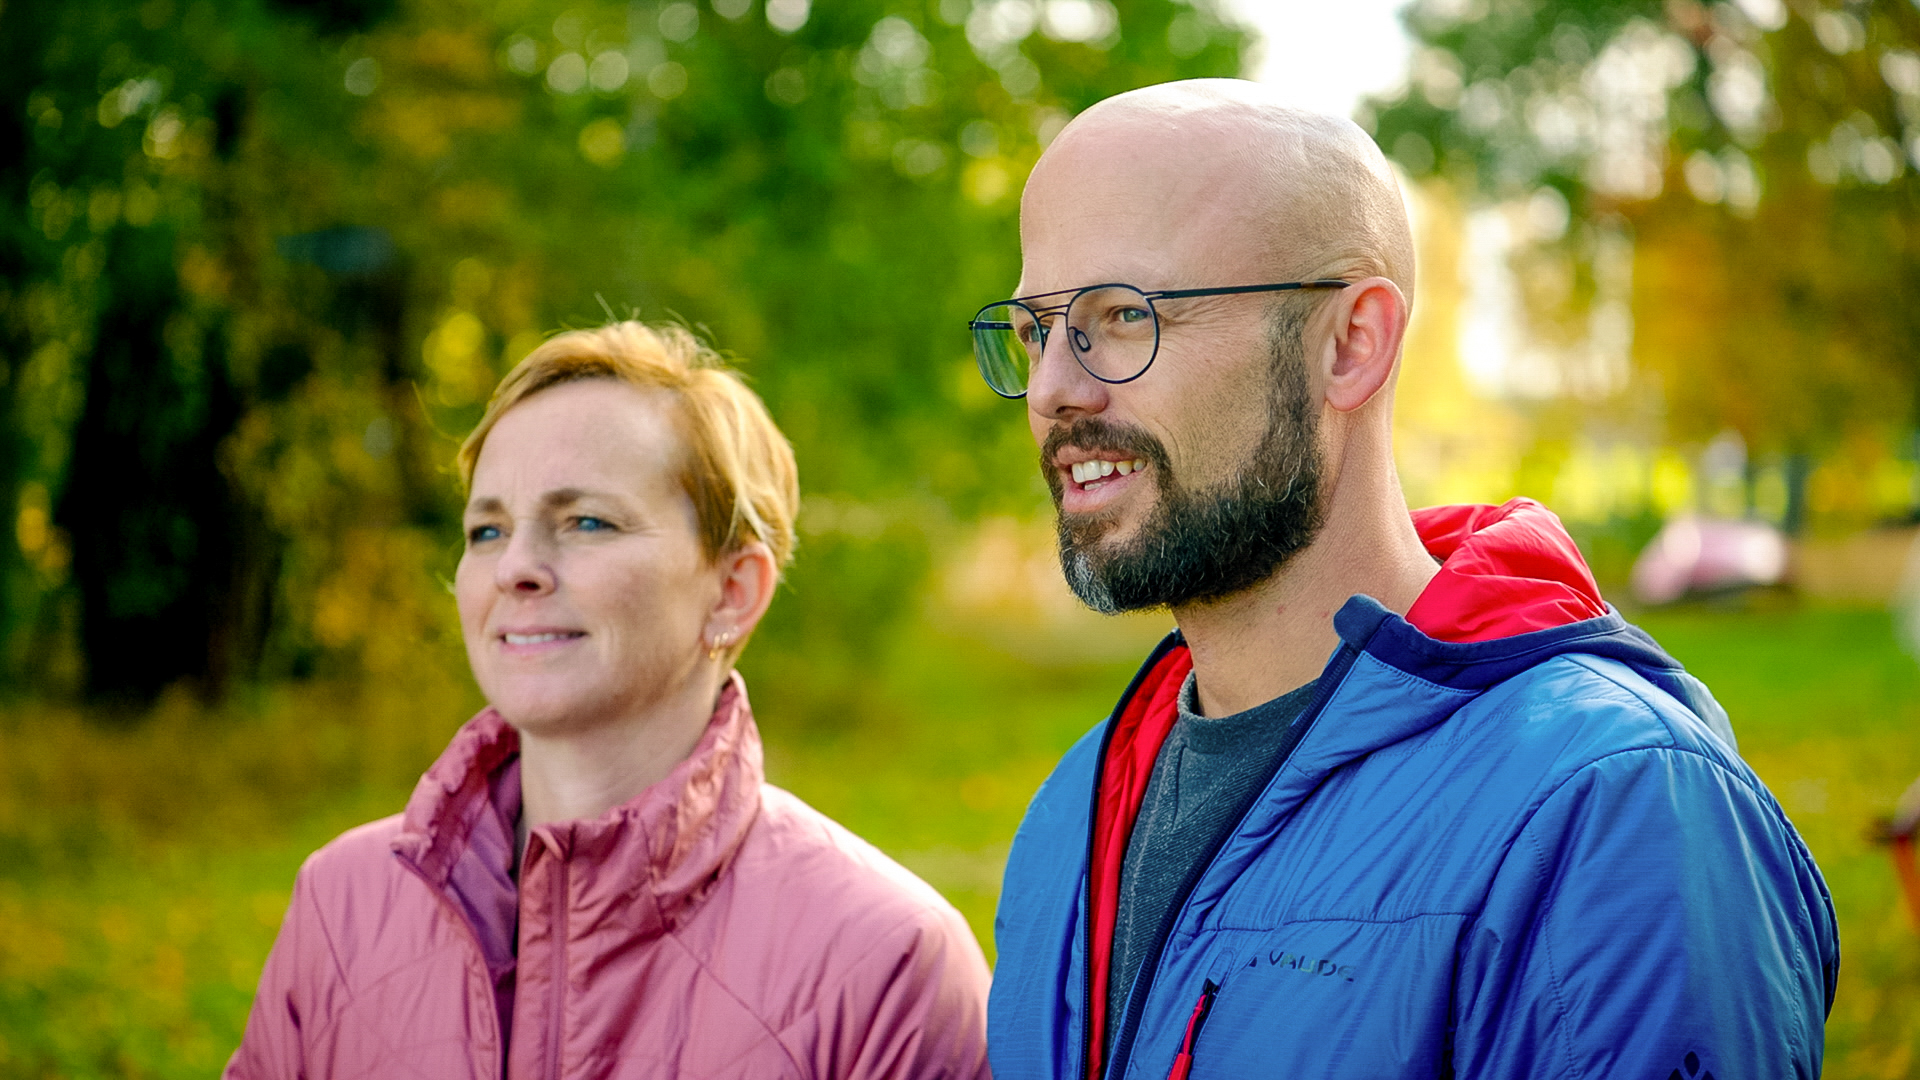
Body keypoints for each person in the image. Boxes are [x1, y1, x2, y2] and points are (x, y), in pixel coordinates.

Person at [973, 80, 1837, 1079]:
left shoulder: (1611, 814)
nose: (1053, 391)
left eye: (1120, 315)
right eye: (1037, 330)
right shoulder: (1071, 818)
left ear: (1351, 344)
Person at [227, 323, 992, 1079]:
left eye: (586, 521)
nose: (515, 568)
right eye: (487, 530)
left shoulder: (886, 963)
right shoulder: (343, 905)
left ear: (733, 591)